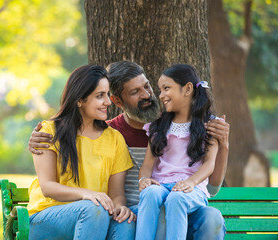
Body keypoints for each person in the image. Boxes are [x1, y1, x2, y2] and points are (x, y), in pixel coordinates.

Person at [28, 61, 229, 239]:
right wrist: (90, 195)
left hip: (173, 205)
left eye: (147, 86)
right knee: (114, 214)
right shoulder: (112, 132)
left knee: (211, 217)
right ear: (118, 101)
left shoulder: (169, 126)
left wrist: (224, 146)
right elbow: (49, 183)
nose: (148, 95)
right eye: (135, 92)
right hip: (111, 211)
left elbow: (211, 188)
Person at [27, 65, 136, 240]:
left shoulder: (114, 138)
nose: (108, 102)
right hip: (46, 217)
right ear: (80, 100)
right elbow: (47, 187)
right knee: (93, 209)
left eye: (107, 94)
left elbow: (116, 194)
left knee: (125, 222)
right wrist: (87, 194)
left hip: (95, 215)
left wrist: (120, 206)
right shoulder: (49, 131)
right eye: (100, 96)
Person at [136, 64, 222, 240]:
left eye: (166, 88)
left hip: (192, 188)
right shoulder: (158, 126)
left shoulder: (210, 125)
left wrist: (191, 182)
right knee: (149, 193)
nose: (161, 95)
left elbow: (209, 163)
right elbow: (147, 165)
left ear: (188, 89)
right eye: (160, 90)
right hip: (161, 185)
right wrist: (144, 180)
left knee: (177, 199)